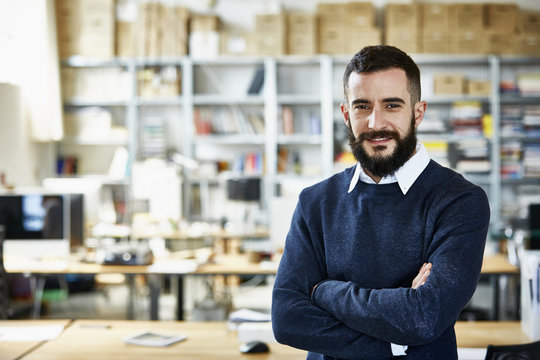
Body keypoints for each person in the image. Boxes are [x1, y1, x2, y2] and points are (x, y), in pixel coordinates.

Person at [271, 45, 490, 360]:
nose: (375, 123)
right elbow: (288, 319)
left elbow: (423, 316)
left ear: (418, 112)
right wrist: (393, 343)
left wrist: (323, 291)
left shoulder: (460, 200)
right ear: (346, 114)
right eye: (362, 106)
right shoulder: (315, 201)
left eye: (392, 105)